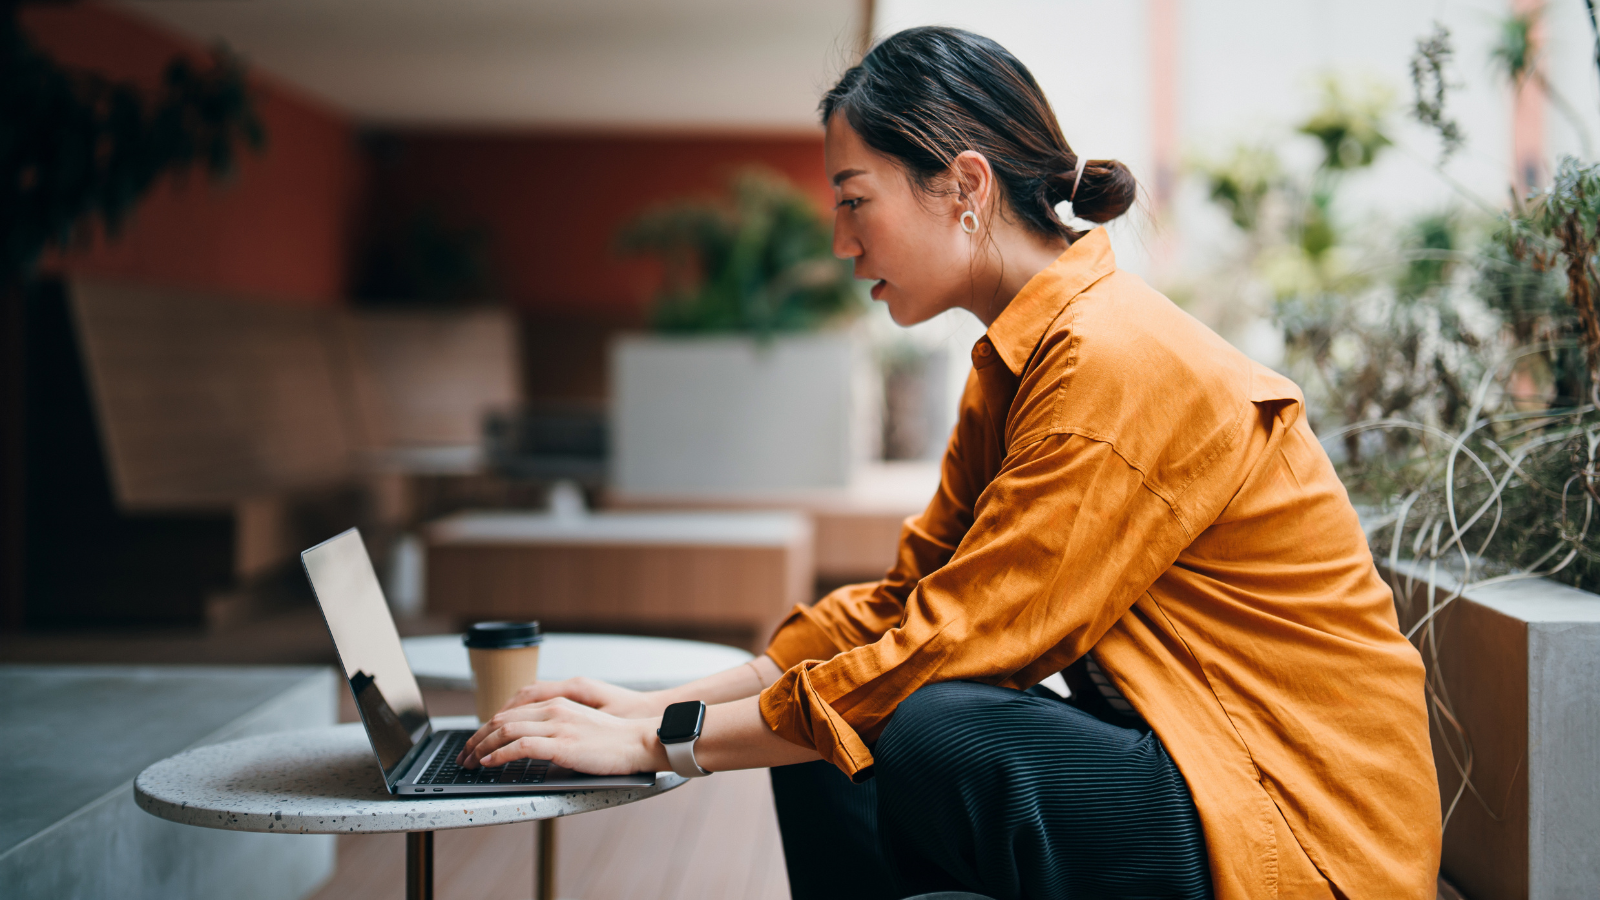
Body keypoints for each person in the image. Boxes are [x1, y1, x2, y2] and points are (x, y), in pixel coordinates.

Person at [458, 26, 1442, 900]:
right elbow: (905, 603)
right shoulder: (1019, 359)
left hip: (1298, 832)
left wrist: (659, 744)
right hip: (1197, 767)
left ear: (965, 187)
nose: (840, 241)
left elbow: (960, 645)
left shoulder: (1113, 359)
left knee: (924, 726)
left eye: (855, 200)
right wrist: (660, 705)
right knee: (830, 725)